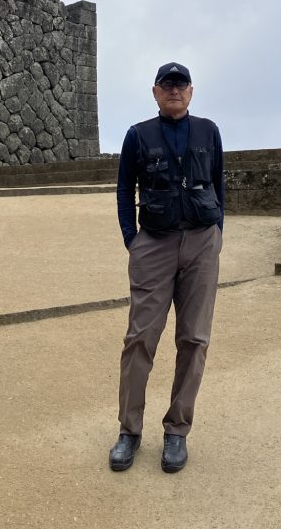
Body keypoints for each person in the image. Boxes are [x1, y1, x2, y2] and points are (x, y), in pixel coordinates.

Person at [109, 61, 225, 474]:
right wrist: (132, 239)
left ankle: (177, 429)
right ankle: (129, 430)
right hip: (154, 243)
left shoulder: (209, 131)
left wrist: (217, 234)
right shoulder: (138, 135)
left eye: (181, 84)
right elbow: (125, 188)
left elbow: (218, 184)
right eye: (167, 85)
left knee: (194, 338)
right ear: (155, 92)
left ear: (191, 91)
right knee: (140, 337)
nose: (175, 90)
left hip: (201, 242)